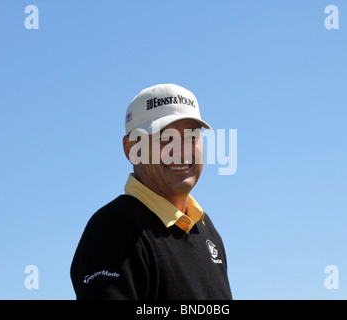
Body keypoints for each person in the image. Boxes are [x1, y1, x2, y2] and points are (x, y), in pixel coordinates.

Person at [70, 83, 232, 300]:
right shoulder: (111, 229)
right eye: (165, 139)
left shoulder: (206, 230)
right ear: (131, 149)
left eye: (192, 137)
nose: (181, 151)